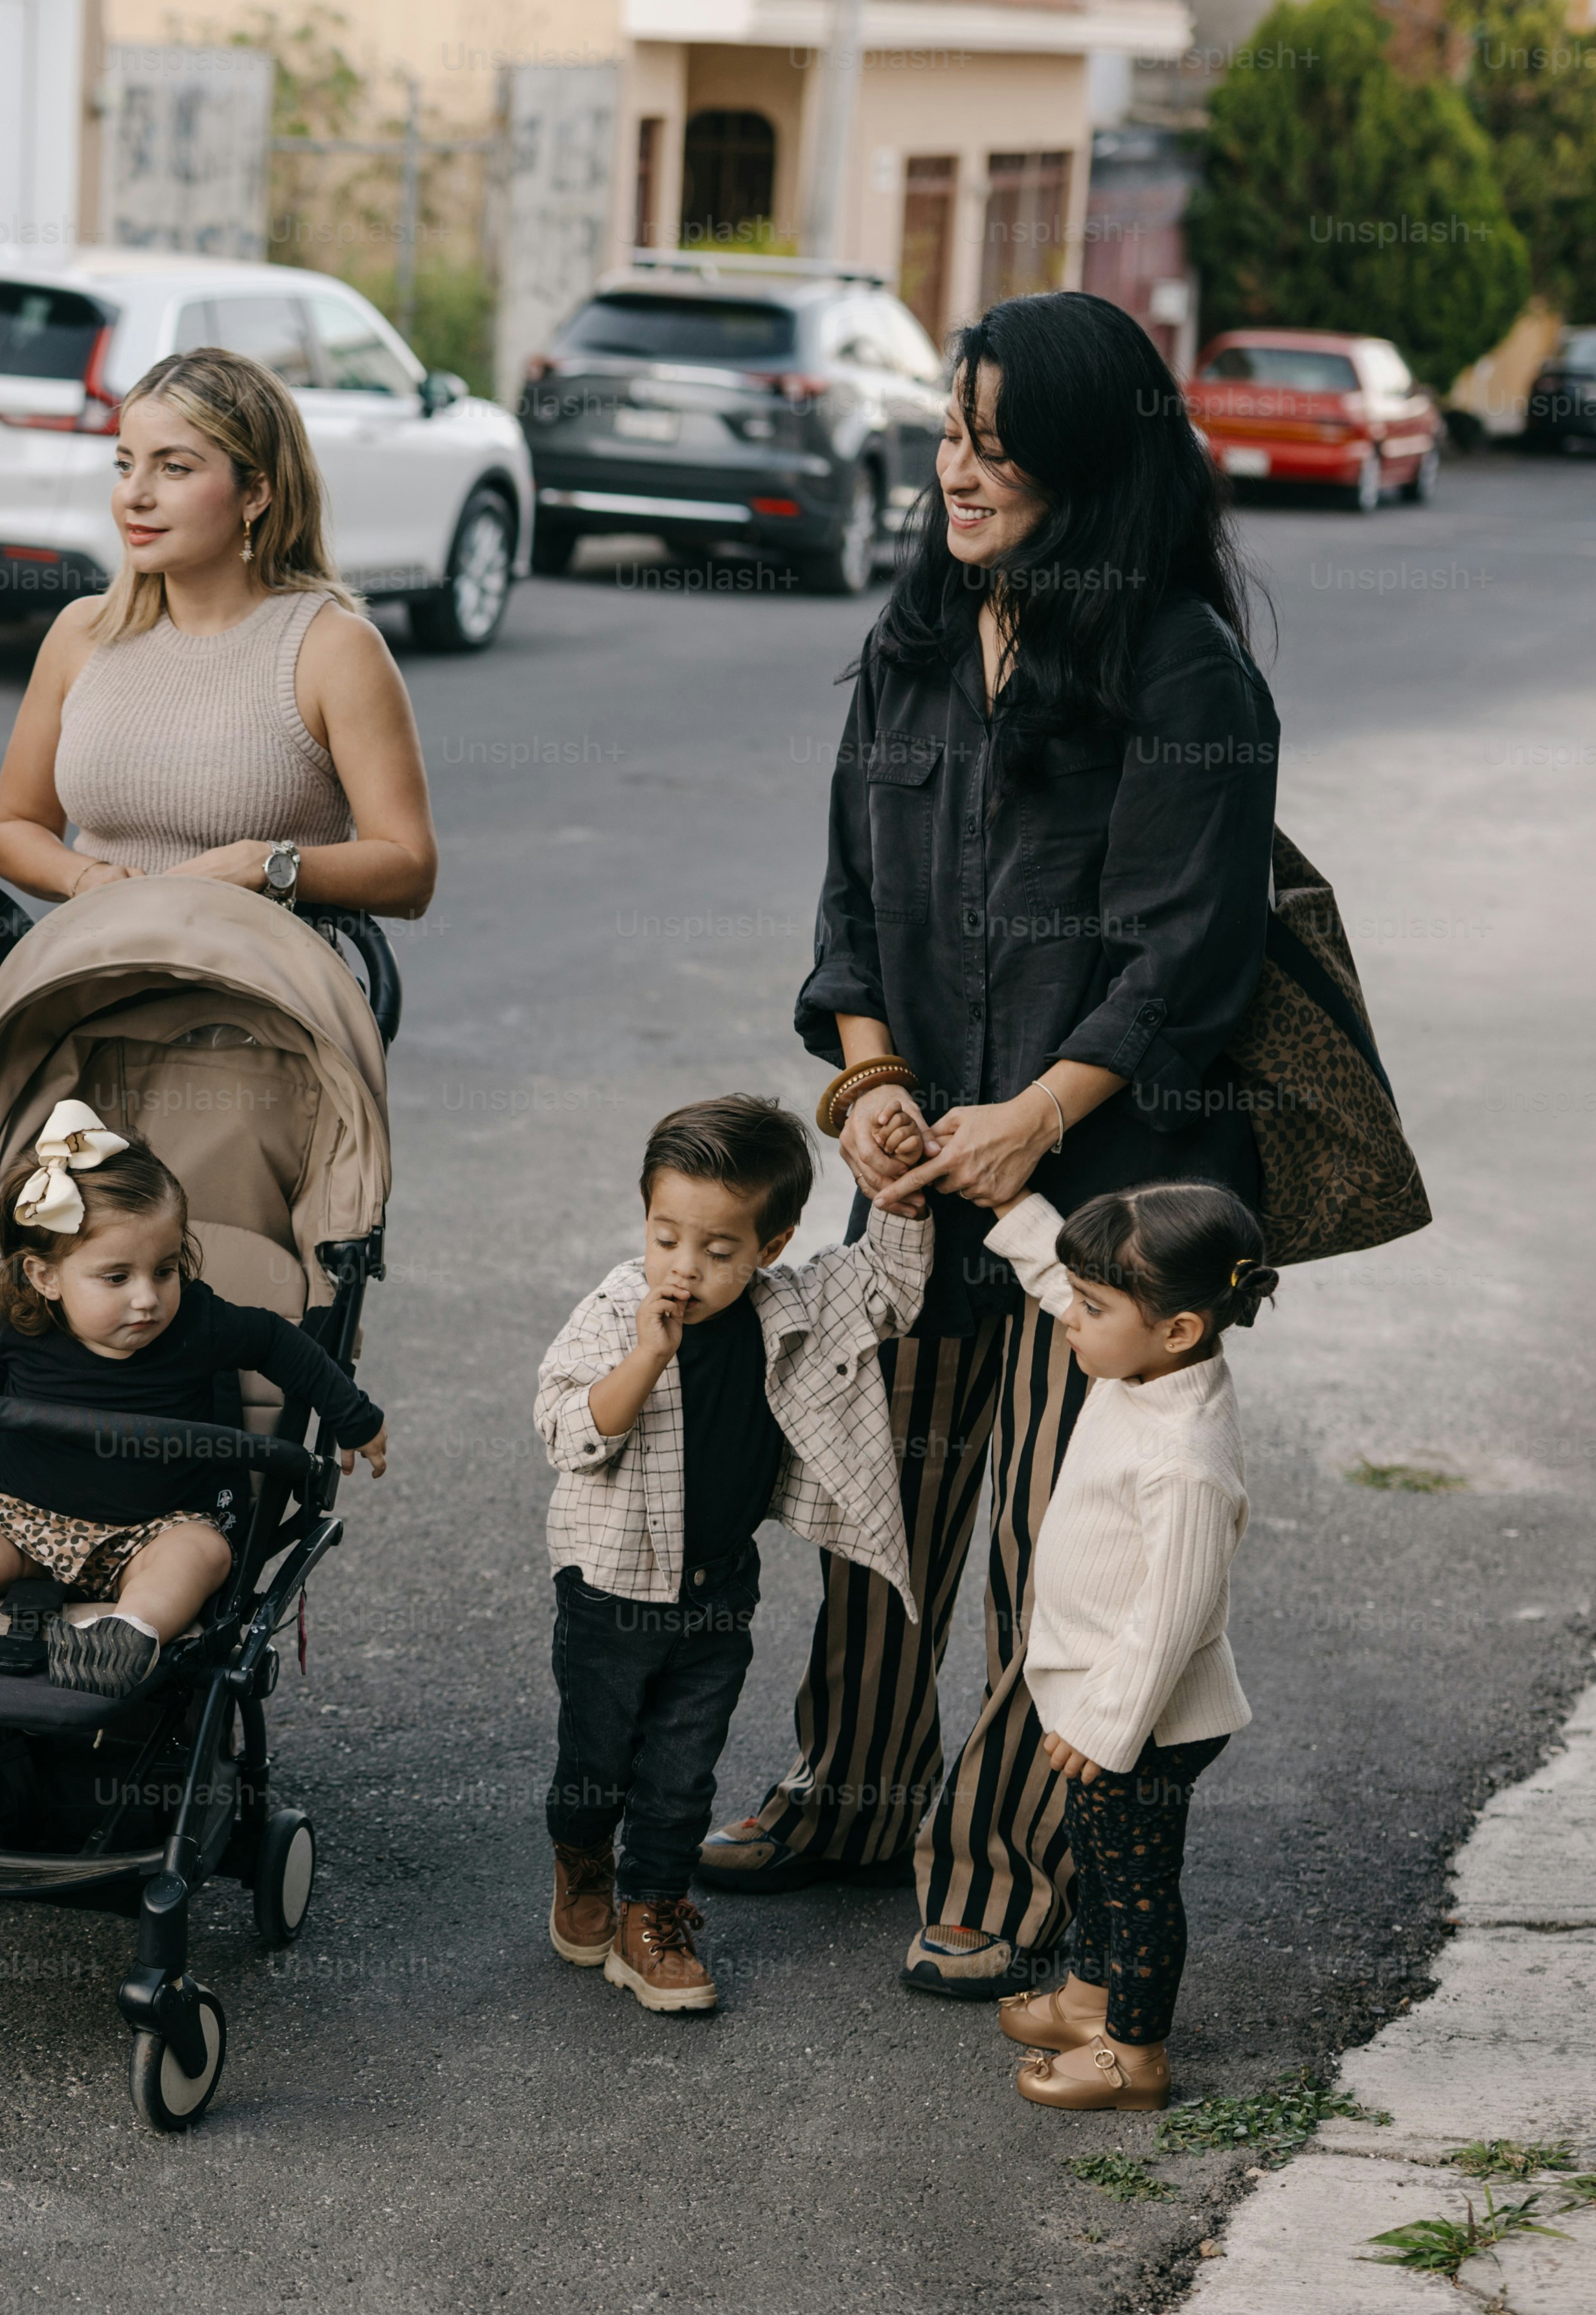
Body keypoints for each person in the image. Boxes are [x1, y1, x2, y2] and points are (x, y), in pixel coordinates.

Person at [700, 290, 1279, 2005]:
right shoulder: (918, 635)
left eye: (998, 447)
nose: (956, 471)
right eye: (951, 434)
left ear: (1088, 465)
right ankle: (854, 1792)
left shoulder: (1180, 667)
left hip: (1099, 1197)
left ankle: (1006, 1862)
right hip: (917, 1171)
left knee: (1051, 1537)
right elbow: (849, 900)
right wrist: (868, 1080)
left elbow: (1183, 958)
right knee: (882, 1501)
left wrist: (1031, 1118)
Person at [530, 1097, 928, 2016]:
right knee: (596, 1761)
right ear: (645, 1220)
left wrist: (902, 1196)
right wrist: (646, 1357)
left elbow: (887, 1287)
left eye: (718, 1250)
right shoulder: (616, 1310)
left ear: (771, 1246)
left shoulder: (789, 1305)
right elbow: (566, 1431)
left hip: (716, 1592)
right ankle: (582, 1858)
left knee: (681, 1770)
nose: (685, 1267)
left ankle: (651, 1913)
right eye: (666, 1238)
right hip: (608, 1592)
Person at [0, 1103, 389, 1702]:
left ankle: (126, 1634)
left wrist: (352, 1417)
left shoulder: (200, 1325)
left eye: (165, 1270)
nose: (147, 1298)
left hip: (154, 1529)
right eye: (117, 1277)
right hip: (25, 1523)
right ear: (45, 1278)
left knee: (198, 1554)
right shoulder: (20, 1332)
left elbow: (282, 1345)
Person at [974, 1181, 1268, 2110]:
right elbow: (1057, 1279)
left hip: (1144, 1721)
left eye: (1092, 1306)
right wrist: (1014, 1208)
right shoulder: (1143, 1366)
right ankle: (1087, 1999)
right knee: (1095, 1860)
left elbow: (1172, 1616)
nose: (1070, 1315)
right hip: (1104, 1707)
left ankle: (1134, 2054)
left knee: (1136, 1888)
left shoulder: (1185, 1456)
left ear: (1176, 1328)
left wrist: (1106, 1725)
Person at [0, 347, 436, 919]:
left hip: (258, 972)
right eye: (125, 465)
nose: (134, 495)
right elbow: (13, 823)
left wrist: (267, 864)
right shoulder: (82, 631)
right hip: (99, 961)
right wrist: (86, 878)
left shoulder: (334, 650)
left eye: (173, 468)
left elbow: (409, 872)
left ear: (256, 493)